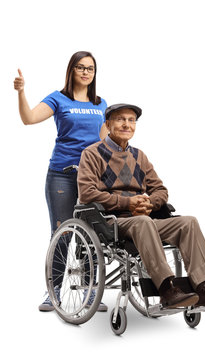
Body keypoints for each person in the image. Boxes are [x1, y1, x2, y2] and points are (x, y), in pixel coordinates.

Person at [77, 103, 205, 308]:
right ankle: (167, 290)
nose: (127, 124)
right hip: (111, 222)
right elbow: (87, 194)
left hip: (144, 220)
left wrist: (150, 203)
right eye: (120, 119)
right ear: (107, 124)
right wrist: (128, 202)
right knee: (143, 222)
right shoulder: (91, 154)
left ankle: (203, 286)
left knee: (188, 222)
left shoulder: (139, 156)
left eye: (131, 120)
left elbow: (161, 189)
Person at [14, 51, 108, 312]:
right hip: (62, 175)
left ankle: (91, 293)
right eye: (81, 67)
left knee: (93, 236)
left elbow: (104, 142)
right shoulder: (59, 98)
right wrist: (21, 93)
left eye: (90, 68)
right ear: (72, 70)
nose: (86, 72)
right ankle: (53, 290)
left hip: (92, 177)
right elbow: (28, 118)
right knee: (63, 233)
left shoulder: (100, 104)